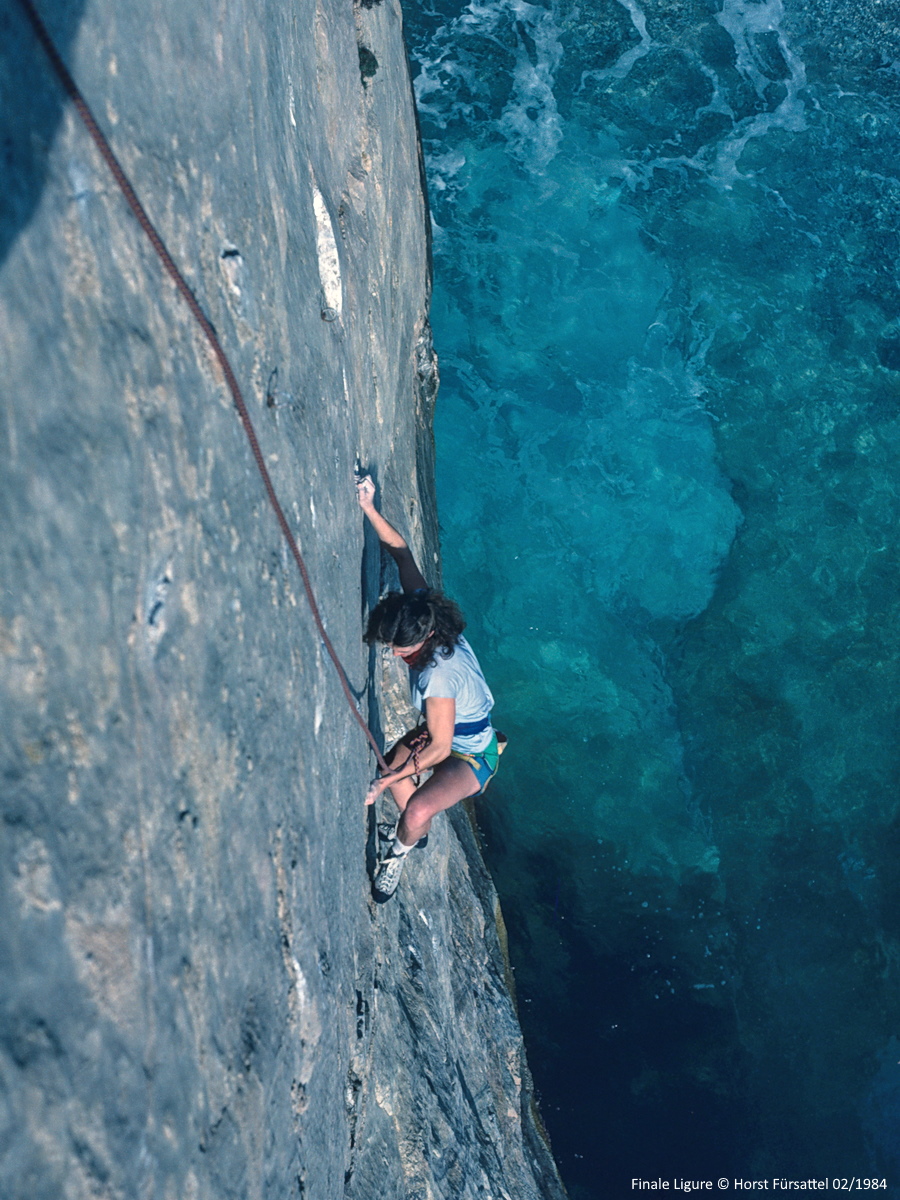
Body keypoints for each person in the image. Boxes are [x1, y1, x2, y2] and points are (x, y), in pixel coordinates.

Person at [356, 474, 503, 900]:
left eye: (401, 650)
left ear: (422, 642)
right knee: (393, 775)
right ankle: (413, 832)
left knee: (417, 806)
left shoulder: (438, 674)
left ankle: (396, 856)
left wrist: (389, 784)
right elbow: (401, 553)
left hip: (471, 751)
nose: (395, 655)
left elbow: (439, 749)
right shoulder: (423, 611)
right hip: (449, 729)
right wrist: (369, 507)